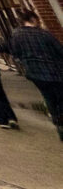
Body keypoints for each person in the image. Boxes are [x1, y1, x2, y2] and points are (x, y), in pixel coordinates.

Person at [9, 9, 63, 142]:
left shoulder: (16, 35)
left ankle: (58, 123)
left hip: (34, 72)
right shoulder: (44, 34)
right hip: (54, 71)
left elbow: (15, 54)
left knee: (48, 96)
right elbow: (60, 51)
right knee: (60, 96)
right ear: (33, 19)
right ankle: (60, 119)